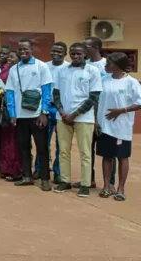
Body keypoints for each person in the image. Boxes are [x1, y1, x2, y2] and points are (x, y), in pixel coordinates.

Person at [52, 43, 102, 197]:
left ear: (85, 54)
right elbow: (56, 93)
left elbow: (94, 97)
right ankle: (65, 181)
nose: (75, 56)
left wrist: (74, 115)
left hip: (84, 118)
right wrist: (61, 111)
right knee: (63, 151)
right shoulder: (62, 71)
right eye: (73, 54)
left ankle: (85, 184)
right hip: (62, 117)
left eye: (79, 54)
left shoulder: (92, 71)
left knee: (85, 152)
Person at [4, 38, 53, 191]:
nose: (23, 52)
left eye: (26, 49)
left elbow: (47, 90)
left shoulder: (41, 66)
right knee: (23, 148)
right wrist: (12, 113)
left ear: (32, 49)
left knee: (42, 148)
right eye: (20, 49)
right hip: (20, 116)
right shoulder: (14, 69)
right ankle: (27, 176)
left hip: (37, 115)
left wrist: (44, 112)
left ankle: (45, 179)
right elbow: (10, 93)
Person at [96, 52, 139, 202]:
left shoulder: (131, 82)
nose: (106, 65)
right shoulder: (103, 80)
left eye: (108, 63)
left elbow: (139, 102)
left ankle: (120, 188)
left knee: (122, 157)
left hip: (121, 127)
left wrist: (121, 111)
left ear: (118, 65)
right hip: (104, 126)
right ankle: (107, 186)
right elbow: (97, 101)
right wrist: (97, 120)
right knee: (107, 156)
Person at [84, 36, 114, 189]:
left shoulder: (106, 65)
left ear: (95, 47)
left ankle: (110, 183)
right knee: (87, 148)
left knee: (109, 149)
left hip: (105, 113)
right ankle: (89, 179)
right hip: (88, 112)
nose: (83, 49)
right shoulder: (84, 65)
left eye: (86, 46)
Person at [37, 42, 68, 183]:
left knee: (61, 143)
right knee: (43, 141)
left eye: (60, 51)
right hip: (46, 108)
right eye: (54, 50)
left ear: (65, 53)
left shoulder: (69, 68)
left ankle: (58, 172)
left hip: (62, 108)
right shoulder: (44, 66)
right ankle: (39, 169)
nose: (56, 53)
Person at [0, 50, 22, 181]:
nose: (9, 58)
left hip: (18, 109)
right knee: (5, 140)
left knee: (15, 141)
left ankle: (16, 170)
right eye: (9, 56)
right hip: (5, 108)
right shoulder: (5, 70)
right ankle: (5, 168)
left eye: (12, 56)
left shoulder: (21, 71)